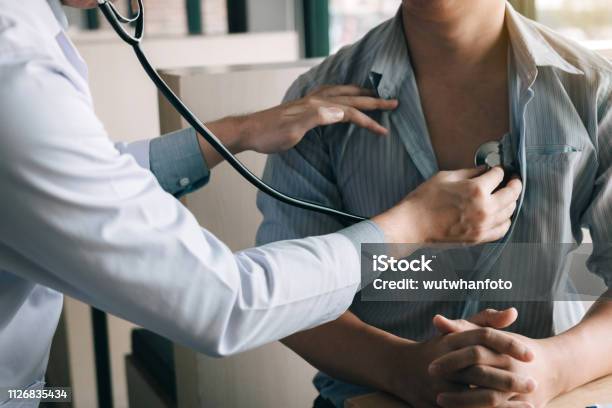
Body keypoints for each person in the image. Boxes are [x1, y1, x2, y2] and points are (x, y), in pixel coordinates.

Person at [0, 0, 525, 403]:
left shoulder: (591, 88)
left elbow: (79, 184)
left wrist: (240, 132)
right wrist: (411, 226)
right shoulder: (15, 72)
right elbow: (224, 302)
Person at [257, 0, 612, 407]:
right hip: (373, 396)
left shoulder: (595, 91)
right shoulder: (318, 100)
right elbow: (284, 296)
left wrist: (553, 367)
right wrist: (401, 367)